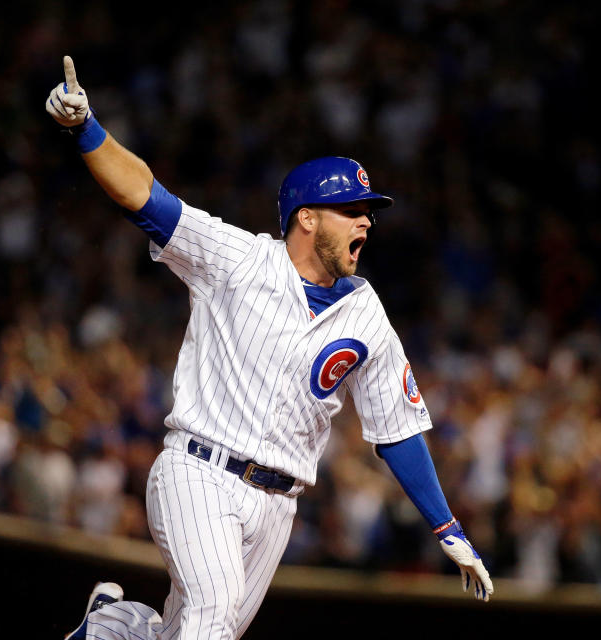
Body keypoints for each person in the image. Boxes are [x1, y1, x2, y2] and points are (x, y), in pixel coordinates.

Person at [46, 56, 493, 640]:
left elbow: (397, 430)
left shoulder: (369, 316)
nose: (366, 223)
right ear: (306, 218)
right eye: (352, 212)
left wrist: (446, 527)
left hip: (278, 506)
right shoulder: (240, 258)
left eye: (369, 214)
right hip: (197, 472)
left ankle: (114, 627)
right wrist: (87, 131)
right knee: (209, 618)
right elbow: (146, 197)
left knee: (195, 630)